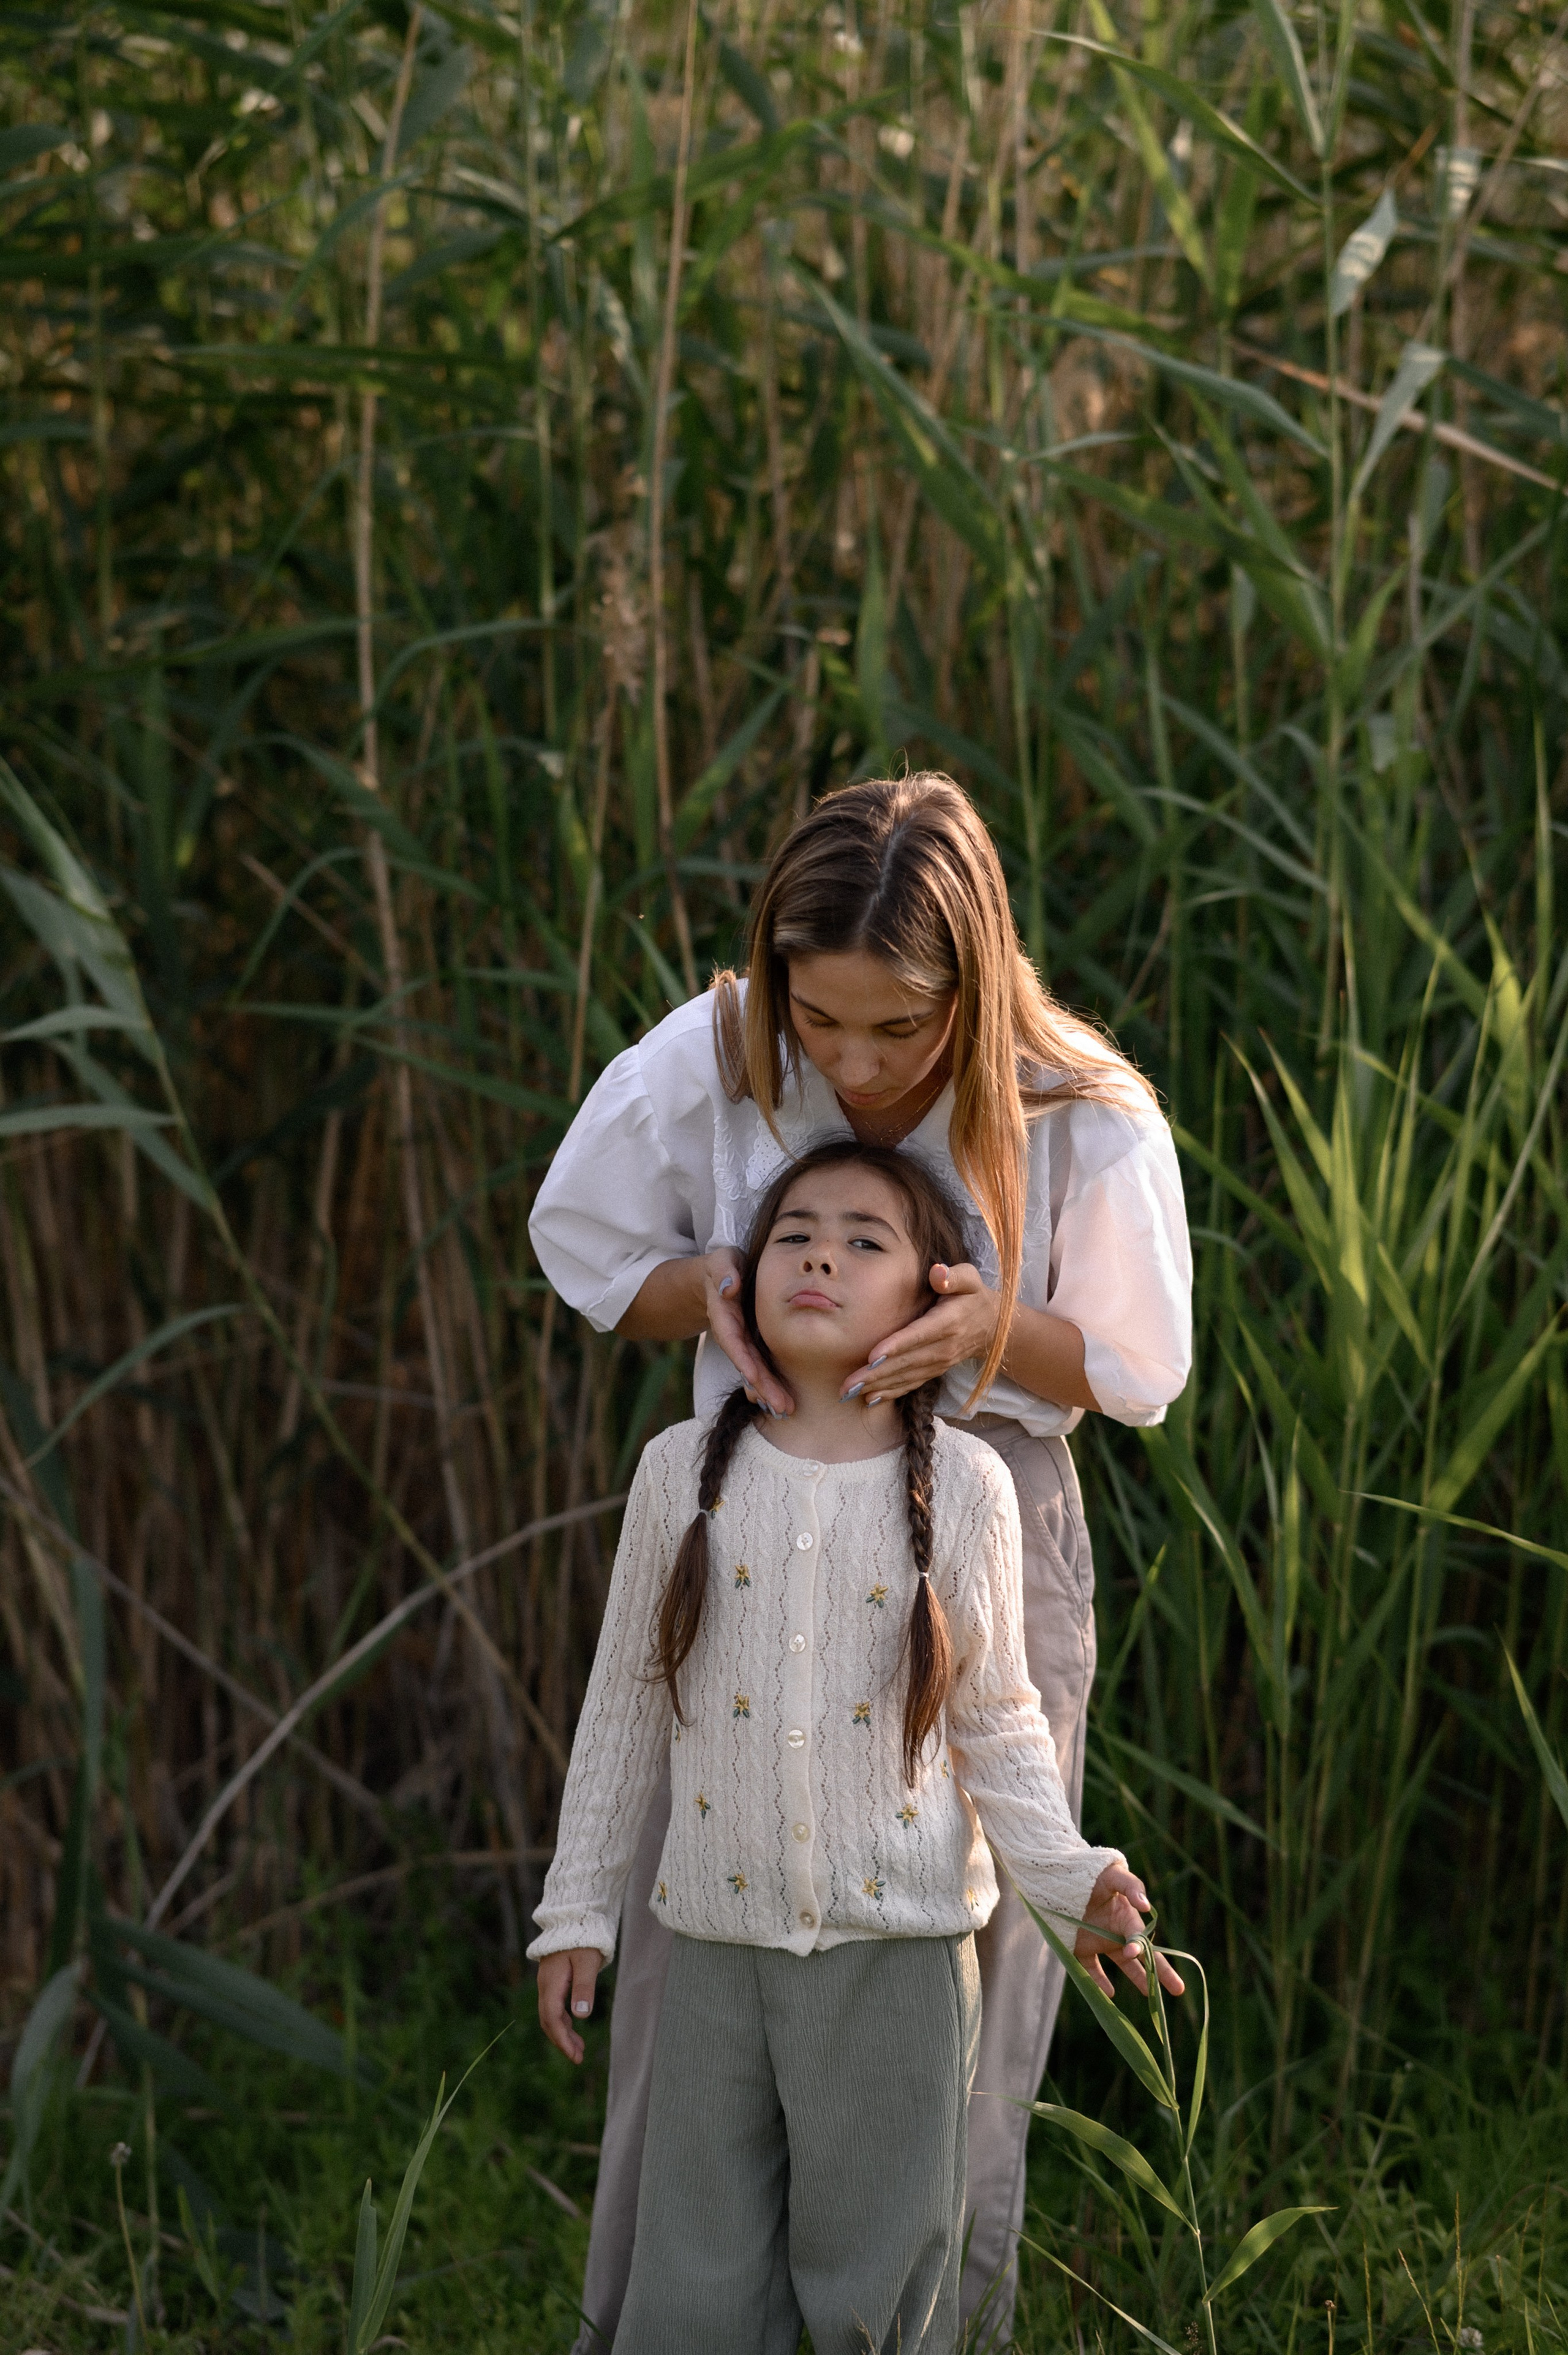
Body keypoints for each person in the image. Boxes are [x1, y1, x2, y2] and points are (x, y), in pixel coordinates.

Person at [529, 771, 1192, 2346]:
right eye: (819, 1019)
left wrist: (987, 1328)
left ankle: (926, 2323)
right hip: (745, 1505)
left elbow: (1140, 1364)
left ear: (971, 976)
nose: (852, 1062)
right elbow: (584, 1246)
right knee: (698, 1959)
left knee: (957, 1982)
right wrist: (722, 1289)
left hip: (978, 1509)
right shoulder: (718, 1049)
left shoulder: (1073, 1099)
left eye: (898, 1026)